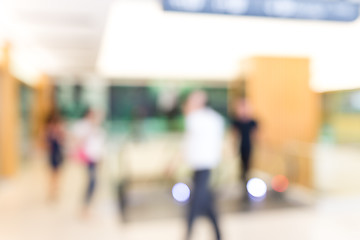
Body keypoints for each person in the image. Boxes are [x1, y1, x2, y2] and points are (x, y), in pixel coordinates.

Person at [183, 91, 225, 240]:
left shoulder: (195, 118)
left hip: (203, 165)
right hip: (204, 165)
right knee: (206, 201)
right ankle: (218, 235)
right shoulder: (214, 118)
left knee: (195, 202)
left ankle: (188, 234)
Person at [73, 108, 105, 215]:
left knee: (94, 182)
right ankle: (85, 206)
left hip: (95, 157)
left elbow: (99, 143)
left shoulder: (96, 127)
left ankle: (87, 206)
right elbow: (78, 140)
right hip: (88, 157)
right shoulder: (83, 126)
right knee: (92, 182)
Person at [231, 98, 258, 185]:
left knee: (249, 166)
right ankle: (242, 181)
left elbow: (256, 136)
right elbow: (234, 136)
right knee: (241, 166)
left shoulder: (252, 122)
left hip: (249, 146)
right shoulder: (237, 122)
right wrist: (234, 147)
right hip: (241, 146)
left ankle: (247, 181)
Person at [45, 111, 65, 201]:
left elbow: (63, 141)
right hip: (52, 154)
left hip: (59, 154)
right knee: (53, 174)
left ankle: (55, 191)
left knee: (58, 174)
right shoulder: (48, 131)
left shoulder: (60, 130)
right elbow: (45, 143)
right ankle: (52, 191)